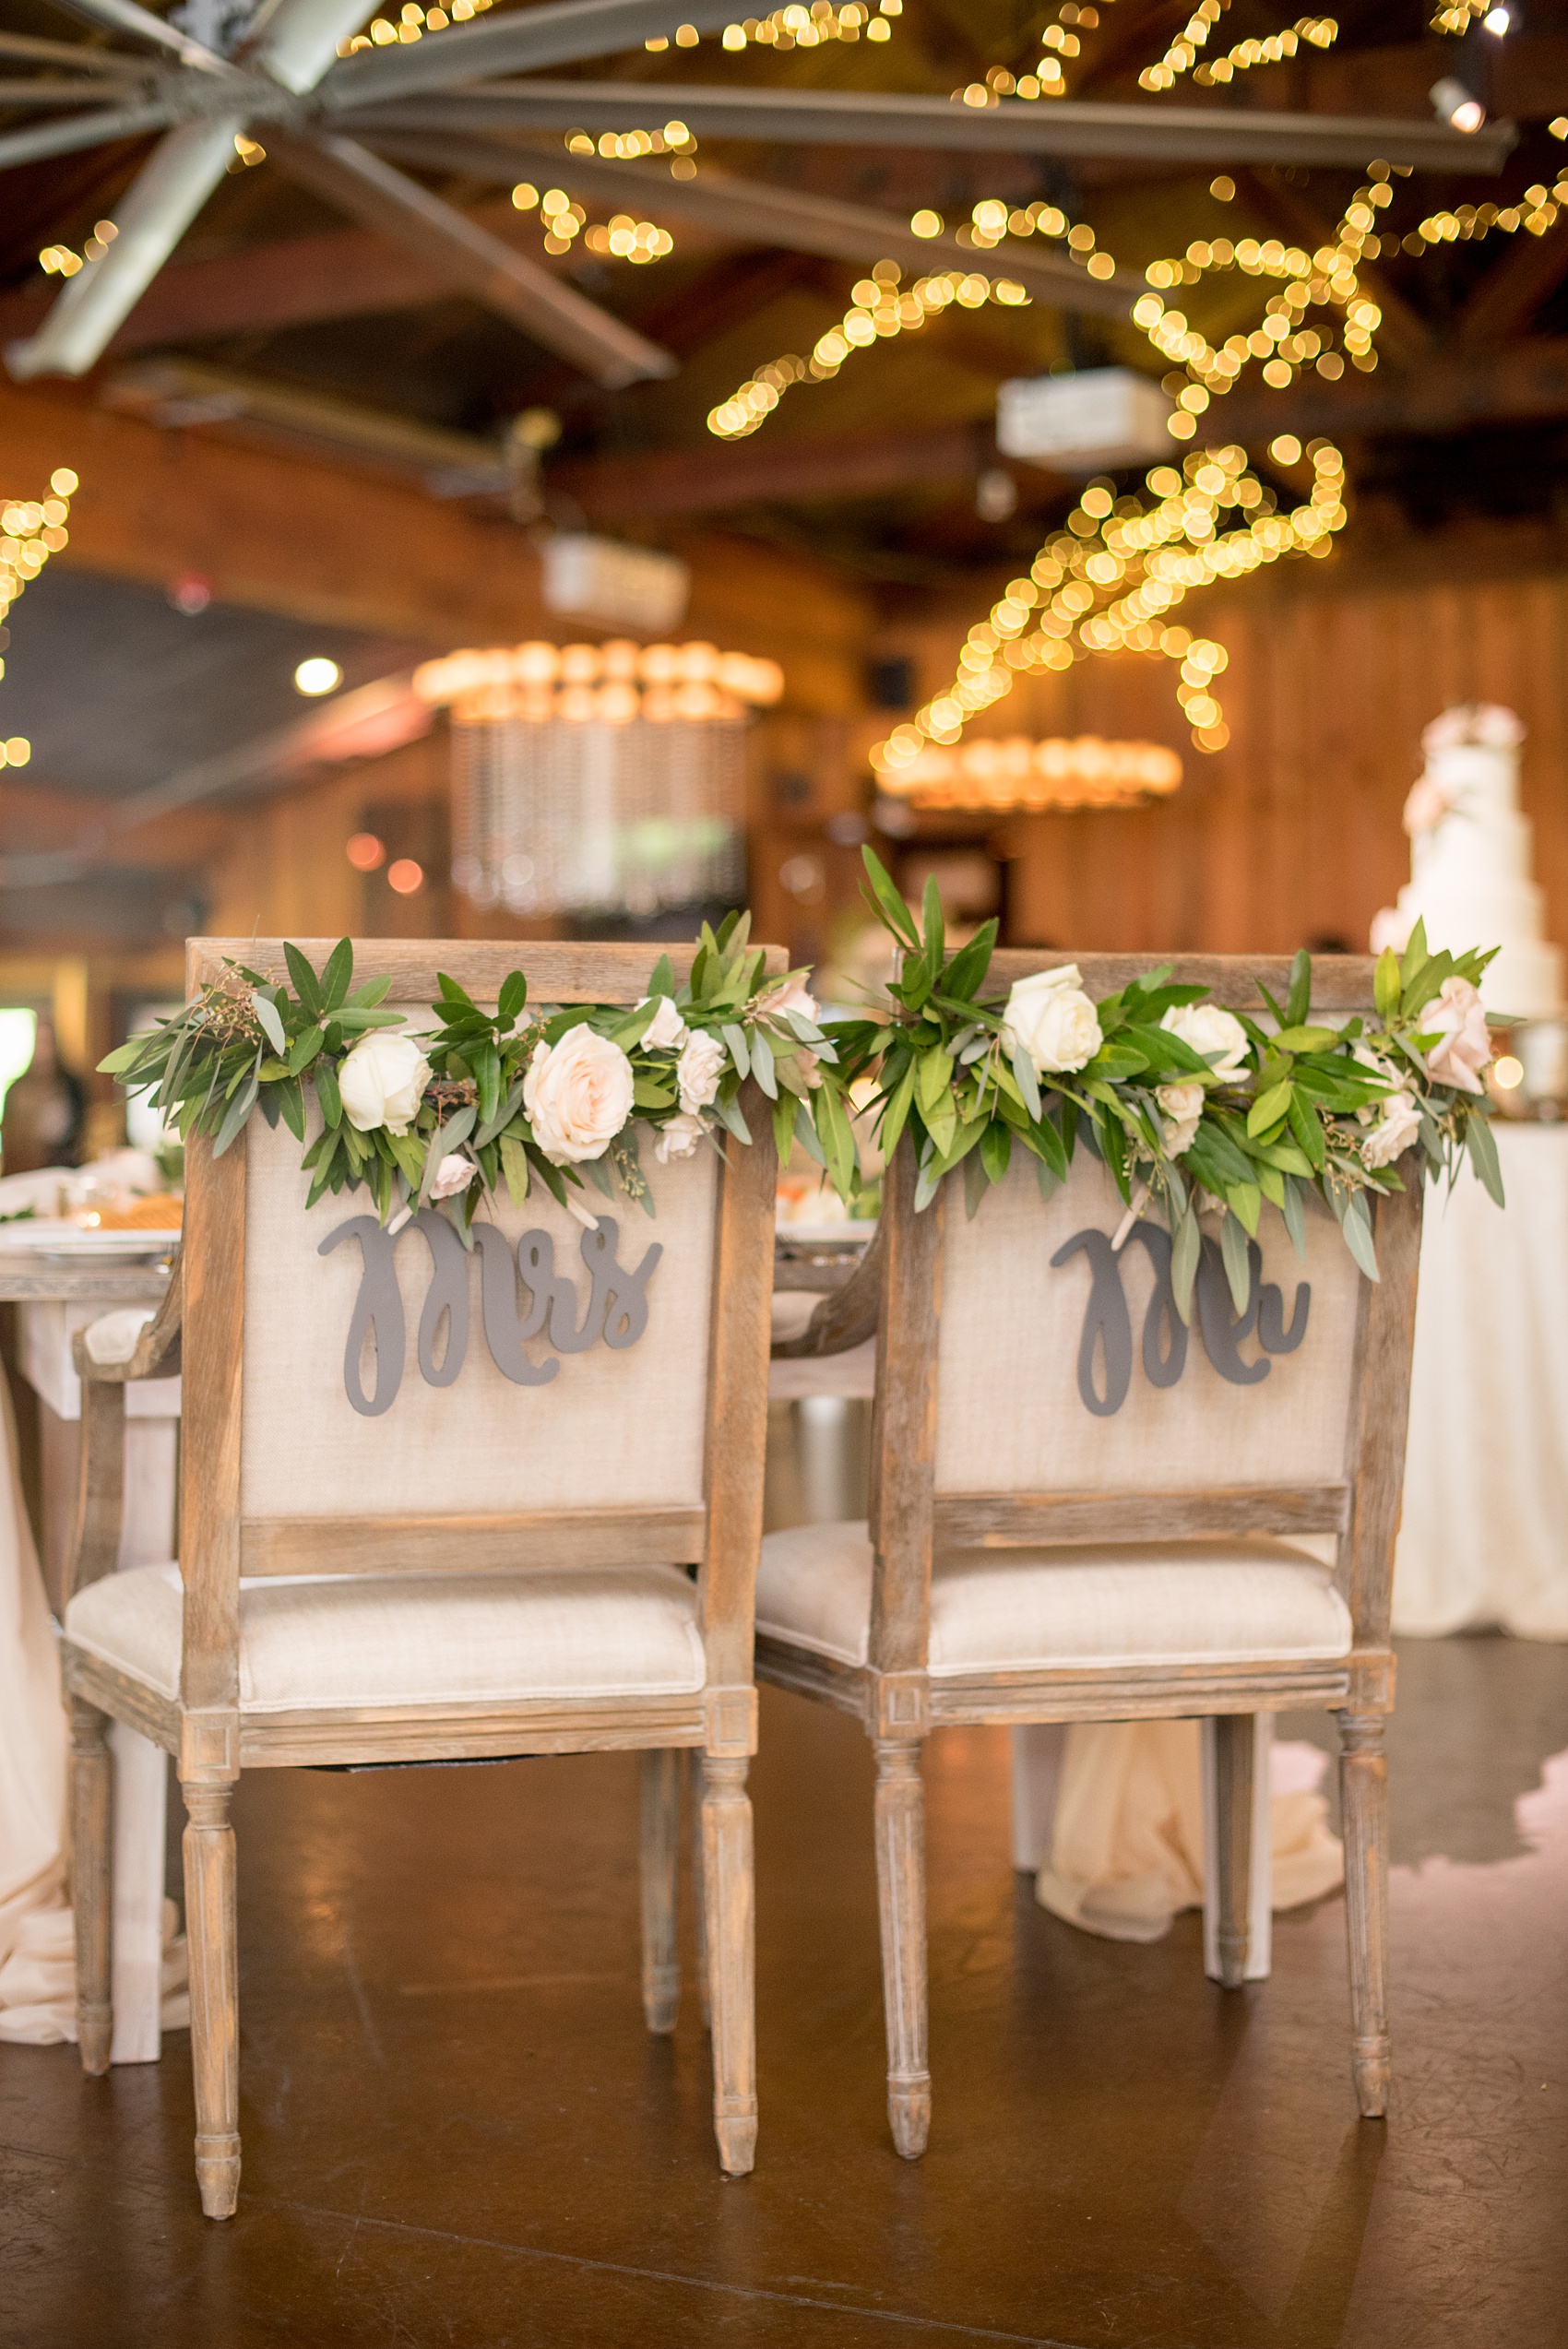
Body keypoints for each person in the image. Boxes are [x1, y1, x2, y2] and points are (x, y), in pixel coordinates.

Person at [0, 1021, 84, 1177]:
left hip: (62, 1172)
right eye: (39, 1042)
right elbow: (8, 1137)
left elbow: (81, 1132)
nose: (44, 1051)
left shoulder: (72, 1085)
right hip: (23, 1174)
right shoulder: (17, 1089)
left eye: (48, 1042)